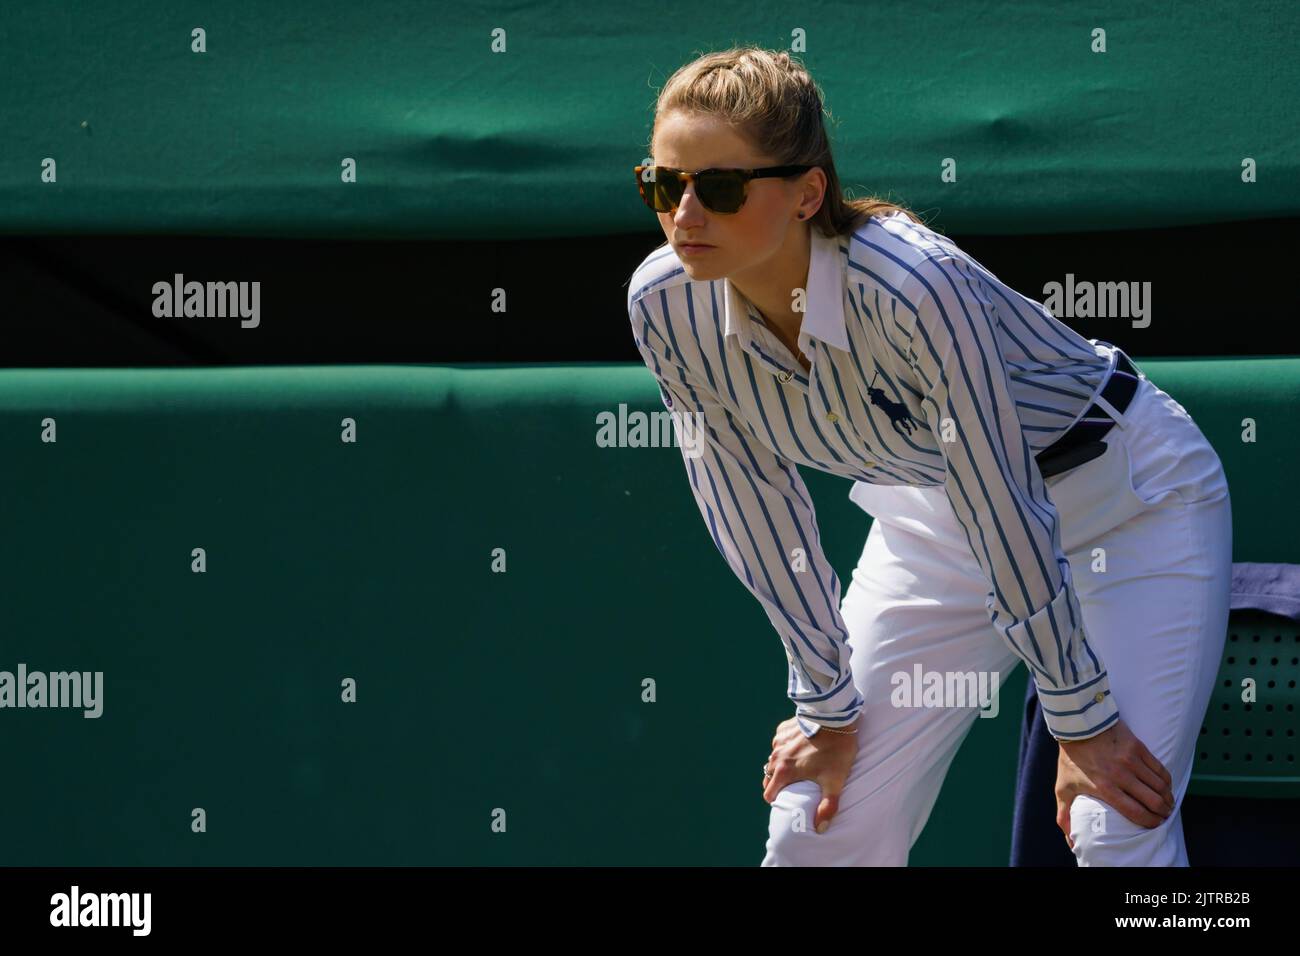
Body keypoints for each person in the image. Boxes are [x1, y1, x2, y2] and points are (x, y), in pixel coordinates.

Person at [625, 46, 1232, 866]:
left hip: (1128, 504)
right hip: (932, 524)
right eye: (665, 186)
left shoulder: (915, 286)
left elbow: (1004, 501)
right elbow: (748, 502)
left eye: (721, 188)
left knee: (1112, 824)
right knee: (813, 825)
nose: (685, 215)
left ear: (808, 193)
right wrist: (825, 704)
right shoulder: (664, 304)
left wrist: (1080, 718)